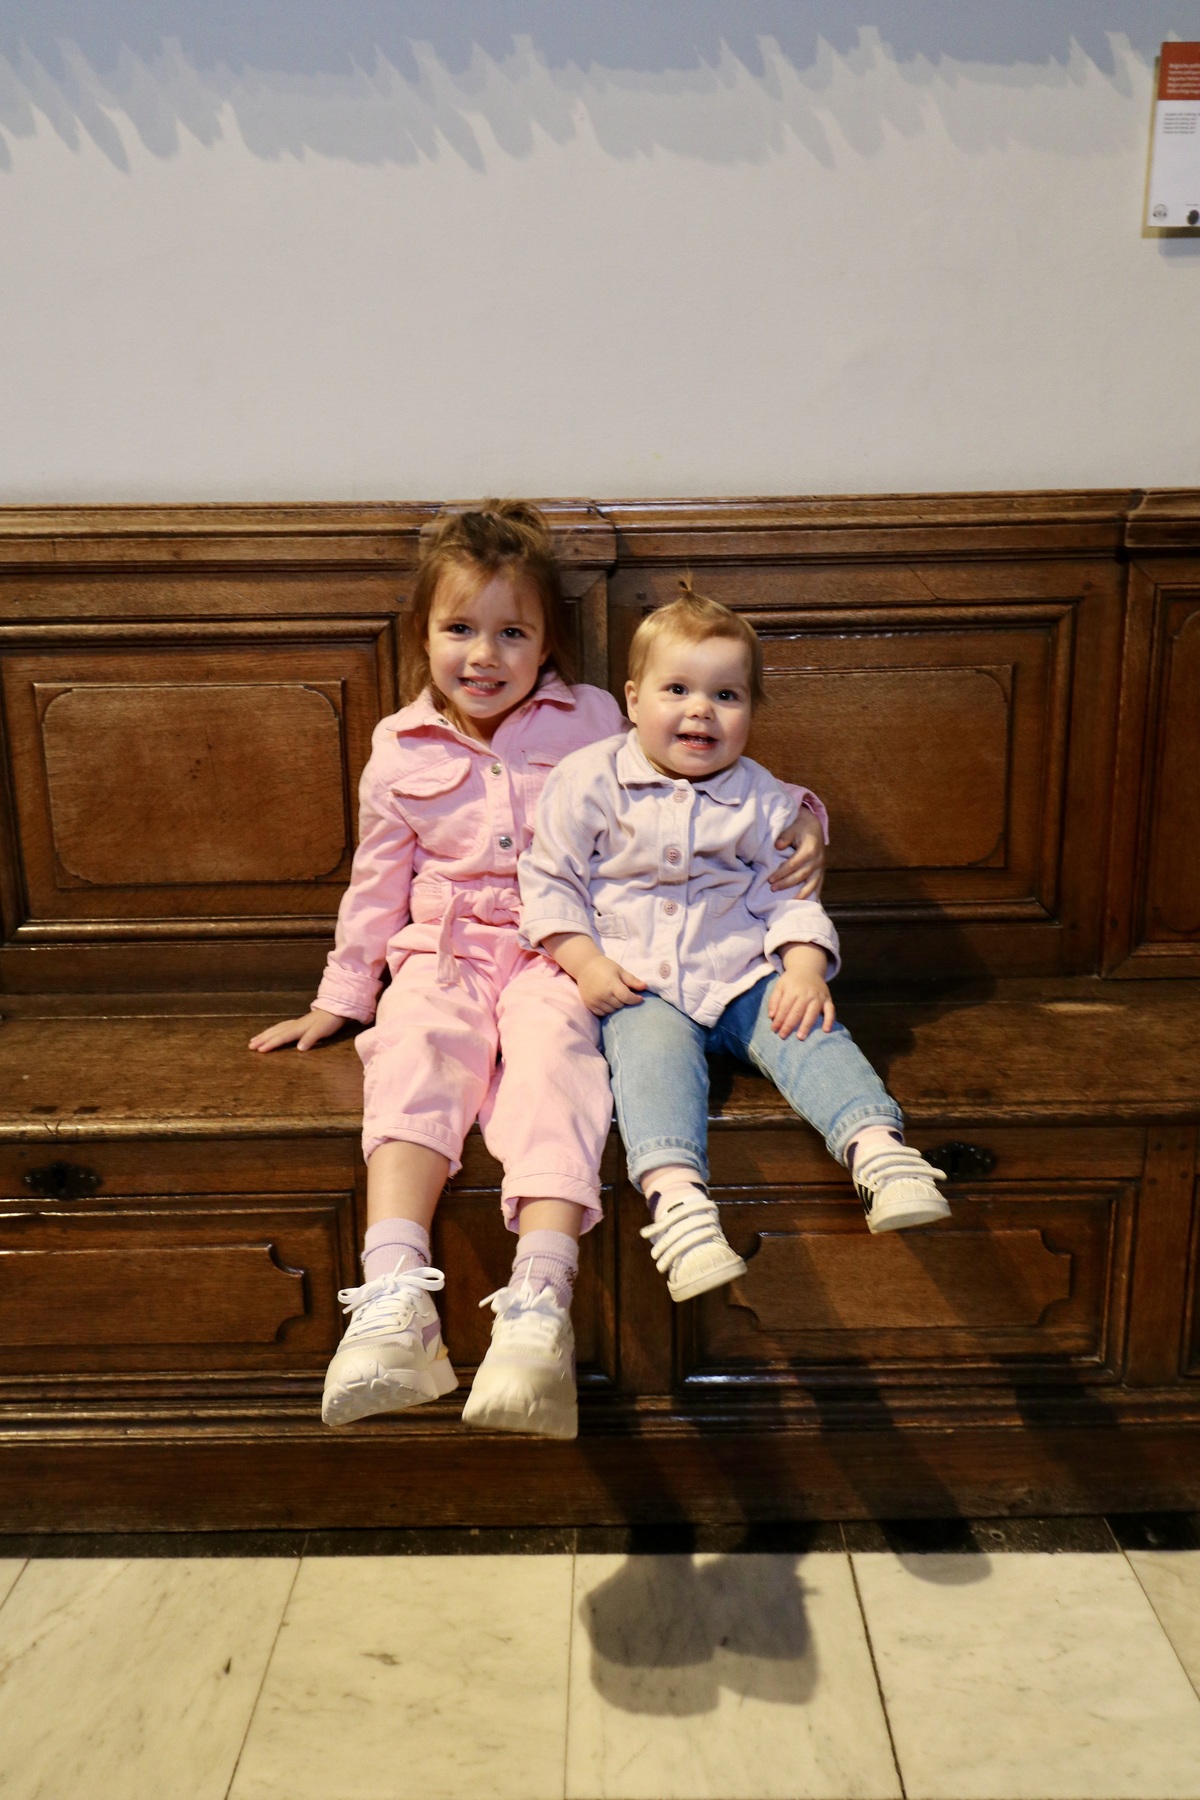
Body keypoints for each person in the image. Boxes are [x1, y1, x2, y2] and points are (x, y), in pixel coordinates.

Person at [250, 509, 826, 1438]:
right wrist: (341, 999)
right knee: (415, 1050)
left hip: (567, 950)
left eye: (512, 632)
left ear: (547, 641)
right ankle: (395, 1301)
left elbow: (706, 774)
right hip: (444, 950)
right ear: (423, 635)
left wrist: (802, 820)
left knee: (558, 1065)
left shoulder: (595, 717)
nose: (485, 655)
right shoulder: (399, 746)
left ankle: (538, 1307)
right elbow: (375, 883)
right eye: (460, 628)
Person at [518, 585, 949, 1306]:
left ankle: (879, 1152)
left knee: (808, 1027)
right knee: (648, 1058)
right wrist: (585, 962)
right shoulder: (588, 780)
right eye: (677, 690)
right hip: (640, 980)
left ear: (751, 710)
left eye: (726, 695)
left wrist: (804, 969)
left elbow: (791, 897)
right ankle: (679, 1204)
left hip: (742, 972)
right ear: (633, 700)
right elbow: (549, 882)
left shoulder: (764, 798)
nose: (701, 710)